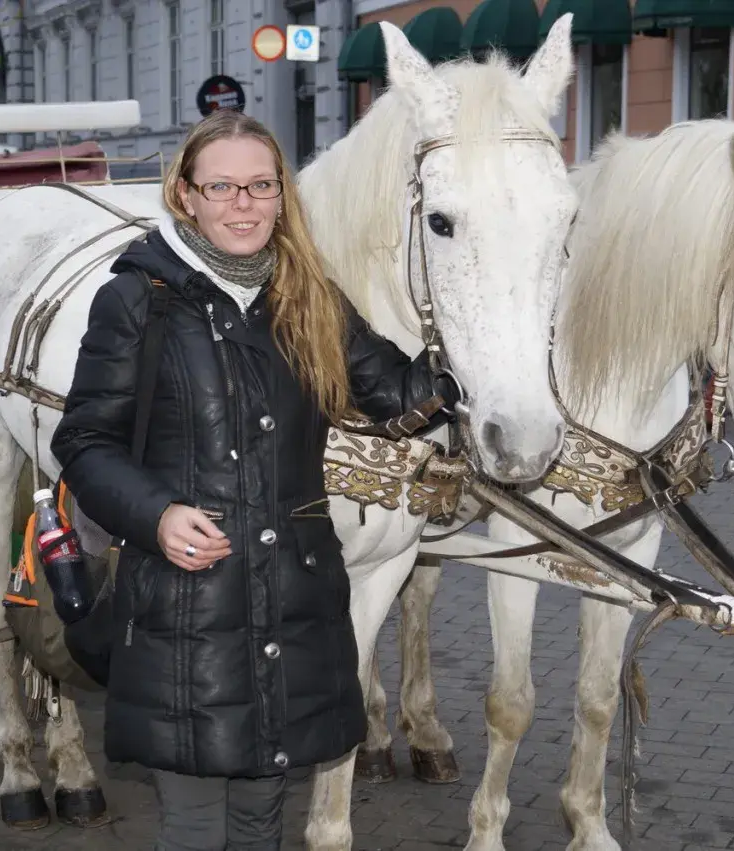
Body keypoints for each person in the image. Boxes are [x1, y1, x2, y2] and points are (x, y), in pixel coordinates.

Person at [50, 110, 459, 850]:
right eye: (223, 186)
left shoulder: (307, 296)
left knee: (264, 822)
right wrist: (157, 515)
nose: (243, 203)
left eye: (261, 186)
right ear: (186, 195)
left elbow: (397, 395)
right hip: (187, 612)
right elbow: (83, 440)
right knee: (198, 826)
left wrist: (475, 340)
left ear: (282, 196)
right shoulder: (139, 298)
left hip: (292, 606)